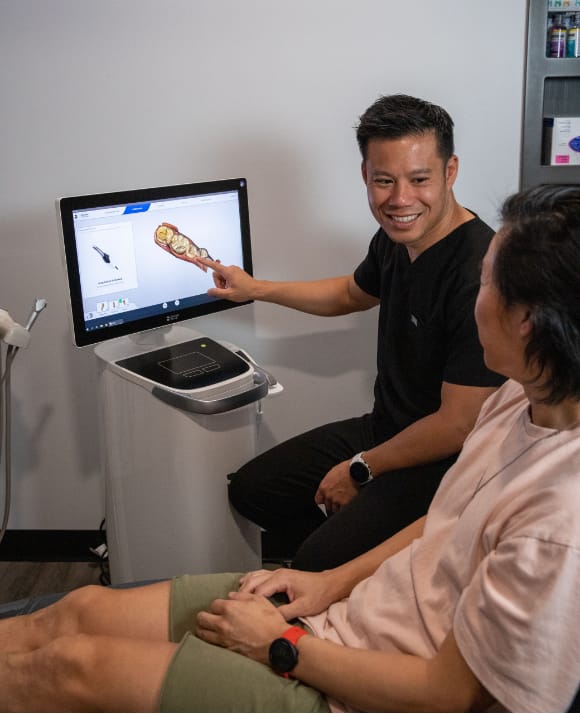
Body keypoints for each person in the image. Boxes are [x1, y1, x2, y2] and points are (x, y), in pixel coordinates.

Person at [2, 183, 579, 713]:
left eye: (485, 283)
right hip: (338, 614)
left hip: (348, 681)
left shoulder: (555, 527)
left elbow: (449, 697)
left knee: (67, 667)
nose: (399, 196)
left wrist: (281, 644)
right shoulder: (516, 398)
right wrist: (328, 583)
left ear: (526, 320)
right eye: (381, 178)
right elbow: (447, 521)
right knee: (79, 612)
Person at [194, 94, 505, 570]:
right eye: (384, 181)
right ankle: (358, 570)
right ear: (366, 176)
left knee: (317, 563)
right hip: (385, 428)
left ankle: (338, 573)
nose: (400, 199)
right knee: (254, 491)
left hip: (445, 463)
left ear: (450, 171)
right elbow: (349, 294)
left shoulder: (476, 273)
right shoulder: (396, 236)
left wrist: (362, 468)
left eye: (419, 179)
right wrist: (255, 289)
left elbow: (457, 424)